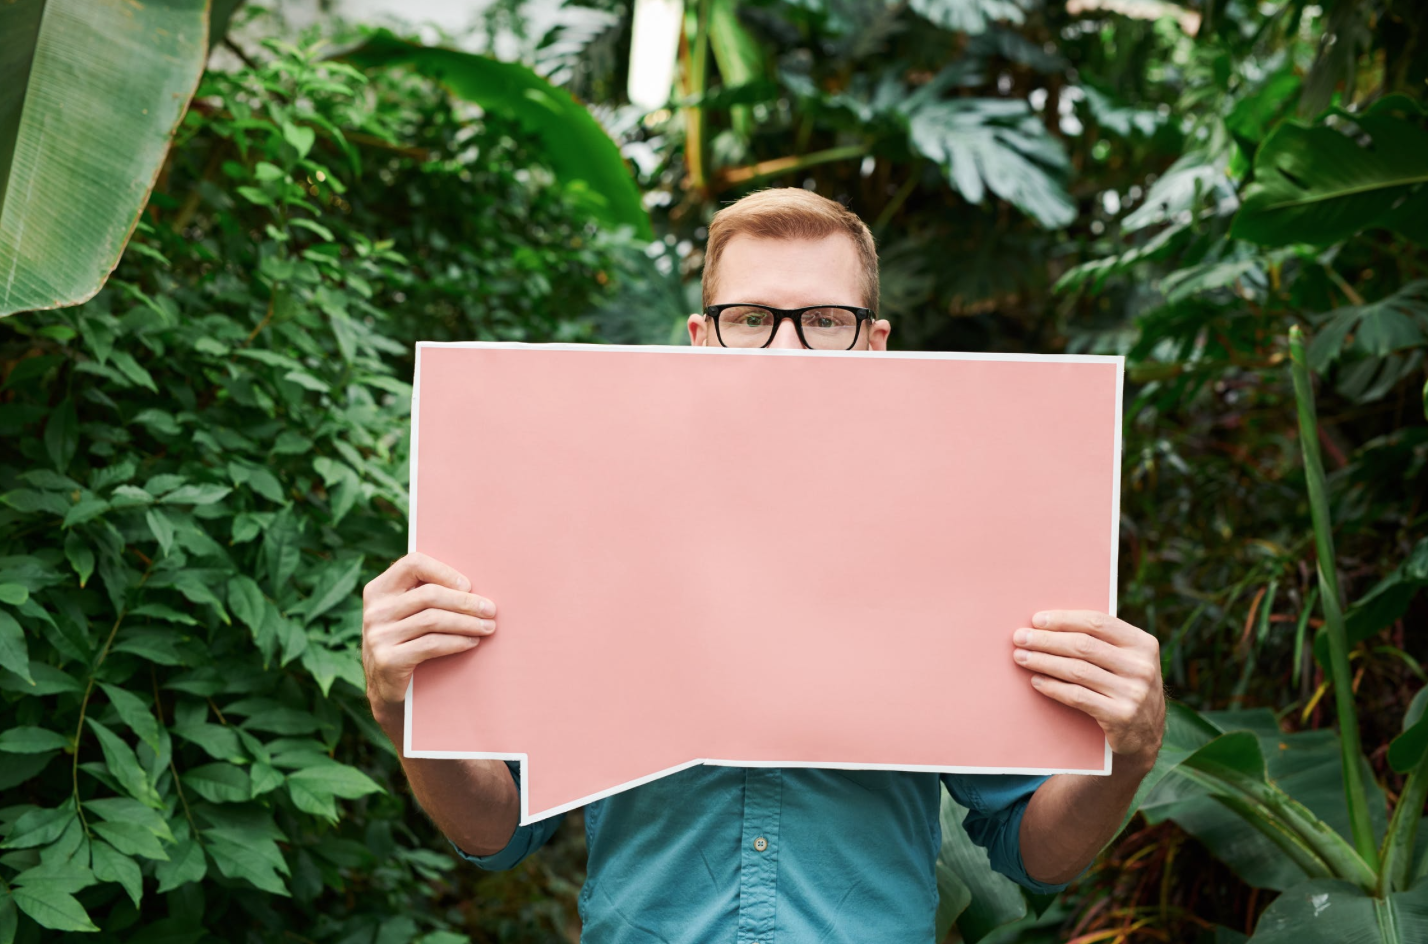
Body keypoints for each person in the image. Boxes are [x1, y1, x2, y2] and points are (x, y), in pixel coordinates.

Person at [361, 188, 1166, 942]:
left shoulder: (954, 545)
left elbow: (1036, 853)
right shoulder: (586, 530)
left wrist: (1127, 754)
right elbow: (497, 831)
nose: (785, 349)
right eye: (751, 319)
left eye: (824, 320)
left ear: (874, 343)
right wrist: (408, 711)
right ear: (702, 337)